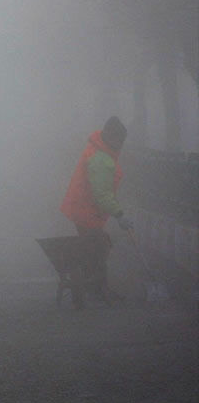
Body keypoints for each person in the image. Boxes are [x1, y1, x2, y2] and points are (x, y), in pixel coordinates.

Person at [60, 116, 132, 305]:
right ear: (110, 137)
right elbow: (102, 195)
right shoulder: (101, 159)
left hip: (82, 208)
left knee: (96, 247)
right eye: (119, 140)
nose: (121, 145)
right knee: (100, 247)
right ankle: (99, 289)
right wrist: (120, 214)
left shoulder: (99, 151)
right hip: (86, 210)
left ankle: (96, 287)